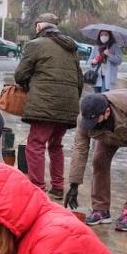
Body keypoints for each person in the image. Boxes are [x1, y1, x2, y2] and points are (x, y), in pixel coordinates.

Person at [64, 91, 127, 231]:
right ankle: (101, 210)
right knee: (98, 161)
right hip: (108, 136)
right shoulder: (84, 120)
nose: (90, 125)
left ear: (107, 112)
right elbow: (79, 150)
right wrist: (74, 184)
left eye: (94, 121)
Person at [14, 13, 84, 200]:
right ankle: (58, 186)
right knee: (55, 145)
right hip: (67, 105)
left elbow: (20, 75)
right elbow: (80, 79)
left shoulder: (35, 45)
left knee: (35, 144)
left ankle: (37, 187)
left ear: (39, 26)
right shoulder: (71, 47)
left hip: (45, 104)